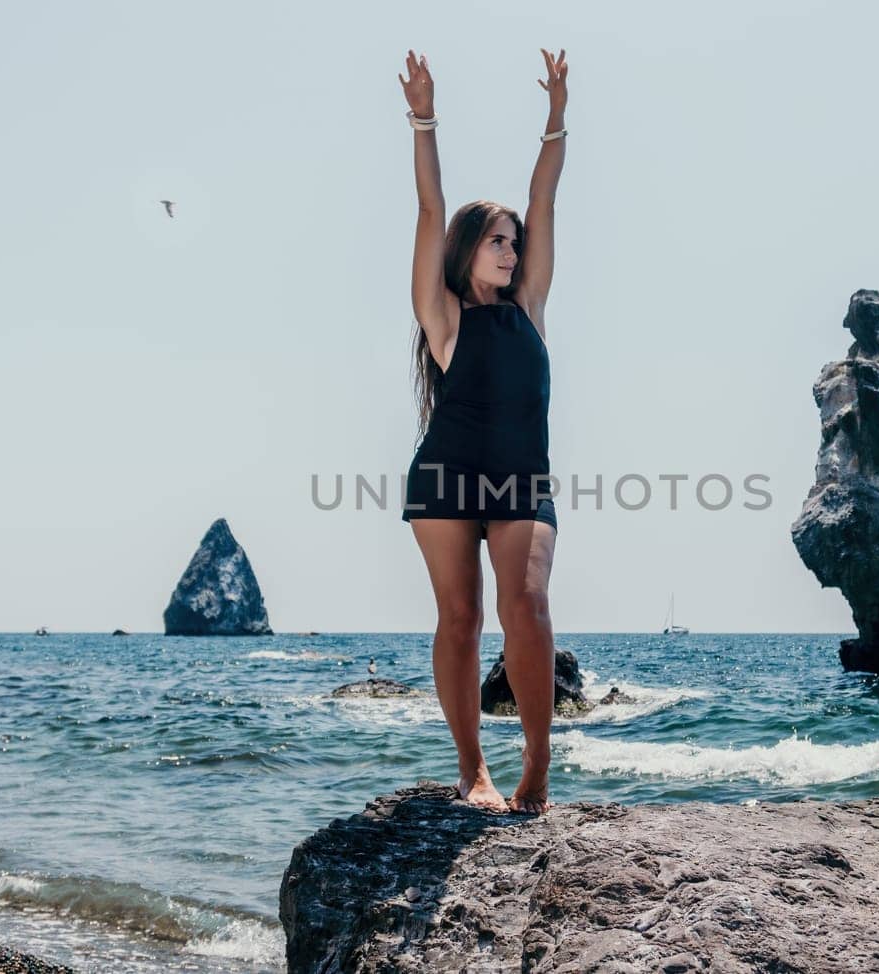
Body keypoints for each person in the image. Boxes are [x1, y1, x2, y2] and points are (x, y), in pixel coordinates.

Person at [396, 47, 568, 815]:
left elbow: (546, 203)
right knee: (459, 617)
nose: (512, 248)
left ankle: (537, 765)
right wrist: (424, 117)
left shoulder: (529, 307)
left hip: (521, 478)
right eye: (497, 240)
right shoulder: (445, 317)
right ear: (470, 251)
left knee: (525, 604)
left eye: (513, 241)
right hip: (445, 474)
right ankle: (474, 771)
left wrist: (556, 120)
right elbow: (431, 208)